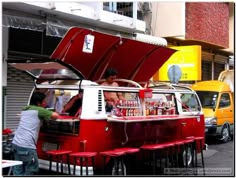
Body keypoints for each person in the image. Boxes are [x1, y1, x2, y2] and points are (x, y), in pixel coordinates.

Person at [12, 92, 59, 176]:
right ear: (38, 102)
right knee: (31, 169)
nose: (45, 103)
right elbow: (56, 115)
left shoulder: (25, 109)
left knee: (18, 170)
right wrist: (46, 111)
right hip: (27, 145)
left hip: (16, 143)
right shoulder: (39, 110)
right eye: (44, 101)